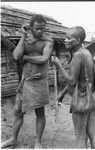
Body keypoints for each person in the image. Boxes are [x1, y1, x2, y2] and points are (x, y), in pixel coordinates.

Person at [1, 14, 53, 149]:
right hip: (25, 81)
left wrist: (26, 57)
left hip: (39, 81)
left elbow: (43, 59)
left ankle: (38, 142)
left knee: (39, 112)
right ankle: (13, 139)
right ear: (31, 27)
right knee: (18, 111)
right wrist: (23, 35)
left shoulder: (48, 41)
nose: (40, 31)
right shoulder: (26, 39)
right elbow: (16, 55)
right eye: (37, 28)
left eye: (42, 28)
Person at [51, 26, 95, 148]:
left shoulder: (77, 56)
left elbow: (72, 81)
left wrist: (58, 65)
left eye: (68, 38)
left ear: (77, 40)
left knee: (80, 137)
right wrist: (62, 94)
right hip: (92, 98)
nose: (65, 40)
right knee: (92, 134)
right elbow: (83, 79)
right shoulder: (87, 52)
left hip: (82, 101)